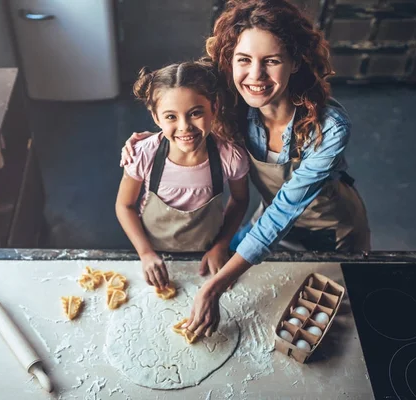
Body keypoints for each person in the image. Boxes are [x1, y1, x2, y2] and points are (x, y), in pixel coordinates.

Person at [120, 0, 370, 337]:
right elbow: (184, 100)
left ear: (295, 62)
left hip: (330, 233)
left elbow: (285, 210)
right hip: (262, 223)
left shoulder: (330, 128)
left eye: (272, 61)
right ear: (230, 60)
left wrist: (216, 286)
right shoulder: (236, 103)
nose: (255, 76)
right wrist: (154, 141)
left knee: (327, 325)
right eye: (244, 60)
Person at [115, 60, 250, 292]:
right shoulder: (143, 154)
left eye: (195, 113)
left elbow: (240, 200)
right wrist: (146, 253)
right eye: (171, 117)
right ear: (156, 118)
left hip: (208, 252)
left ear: (214, 108)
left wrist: (221, 245)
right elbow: (124, 205)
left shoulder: (230, 157)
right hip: (154, 252)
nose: (185, 127)